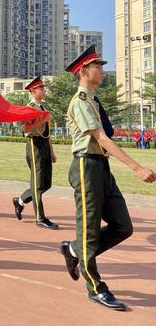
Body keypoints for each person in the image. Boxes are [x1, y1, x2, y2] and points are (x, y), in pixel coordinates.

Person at [60, 45, 156, 311]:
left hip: (101, 166)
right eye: (97, 67)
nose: (102, 71)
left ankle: (75, 250)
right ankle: (96, 286)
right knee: (89, 229)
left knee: (123, 226)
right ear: (83, 71)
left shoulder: (93, 100)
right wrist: (137, 168)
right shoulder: (79, 101)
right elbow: (101, 138)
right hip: (86, 166)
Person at [12, 76, 58, 229]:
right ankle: (40, 218)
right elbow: (25, 129)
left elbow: (47, 132)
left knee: (46, 183)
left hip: (44, 144)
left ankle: (20, 200)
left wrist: (51, 151)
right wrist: (42, 120)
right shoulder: (29, 108)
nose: (44, 91)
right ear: (32, 91)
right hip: (34, 144)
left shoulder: (43, 108)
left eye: (43, 88)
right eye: (41, 88)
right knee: (38, 184)